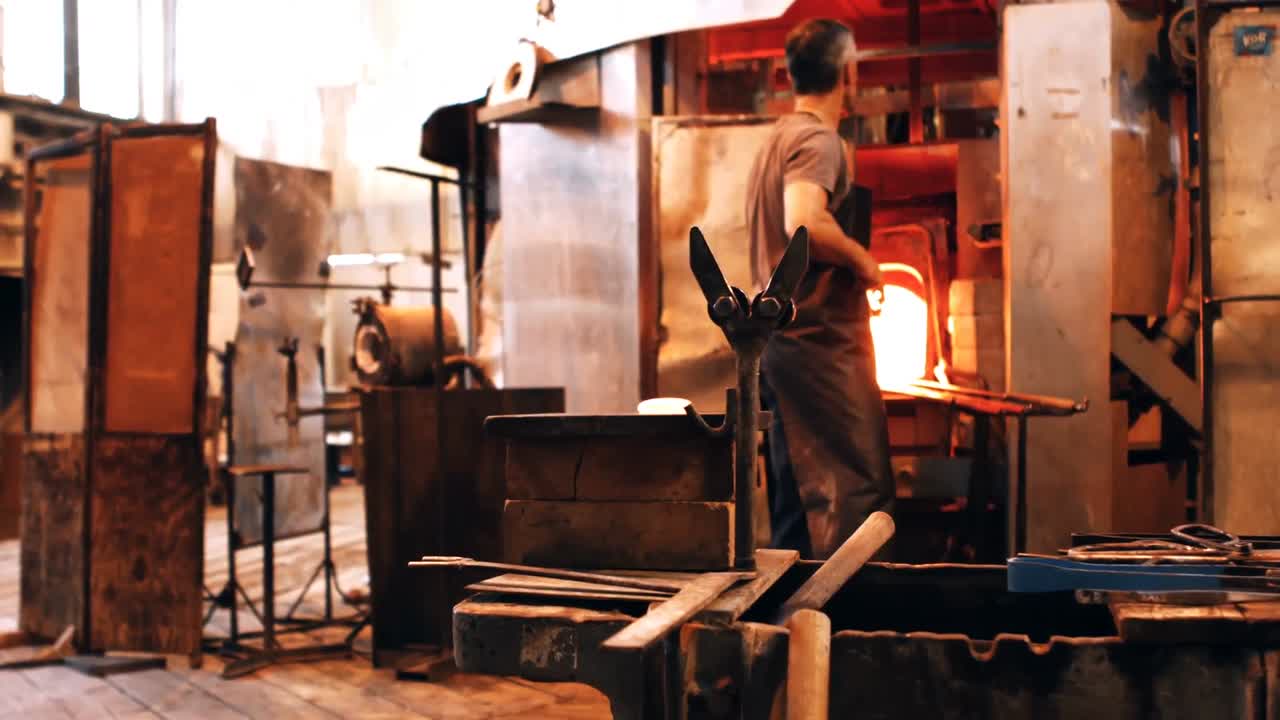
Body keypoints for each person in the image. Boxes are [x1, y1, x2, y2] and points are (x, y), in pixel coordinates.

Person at [745, 18, 895, 560]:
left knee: (795, 504)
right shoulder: (817, 140)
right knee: (860, 497)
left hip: (784, 349)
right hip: (818, 347)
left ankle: (787, 633)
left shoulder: (777, 139)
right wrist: (865, 261)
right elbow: (803, 222)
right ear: (848, 72)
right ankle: (849, 631)